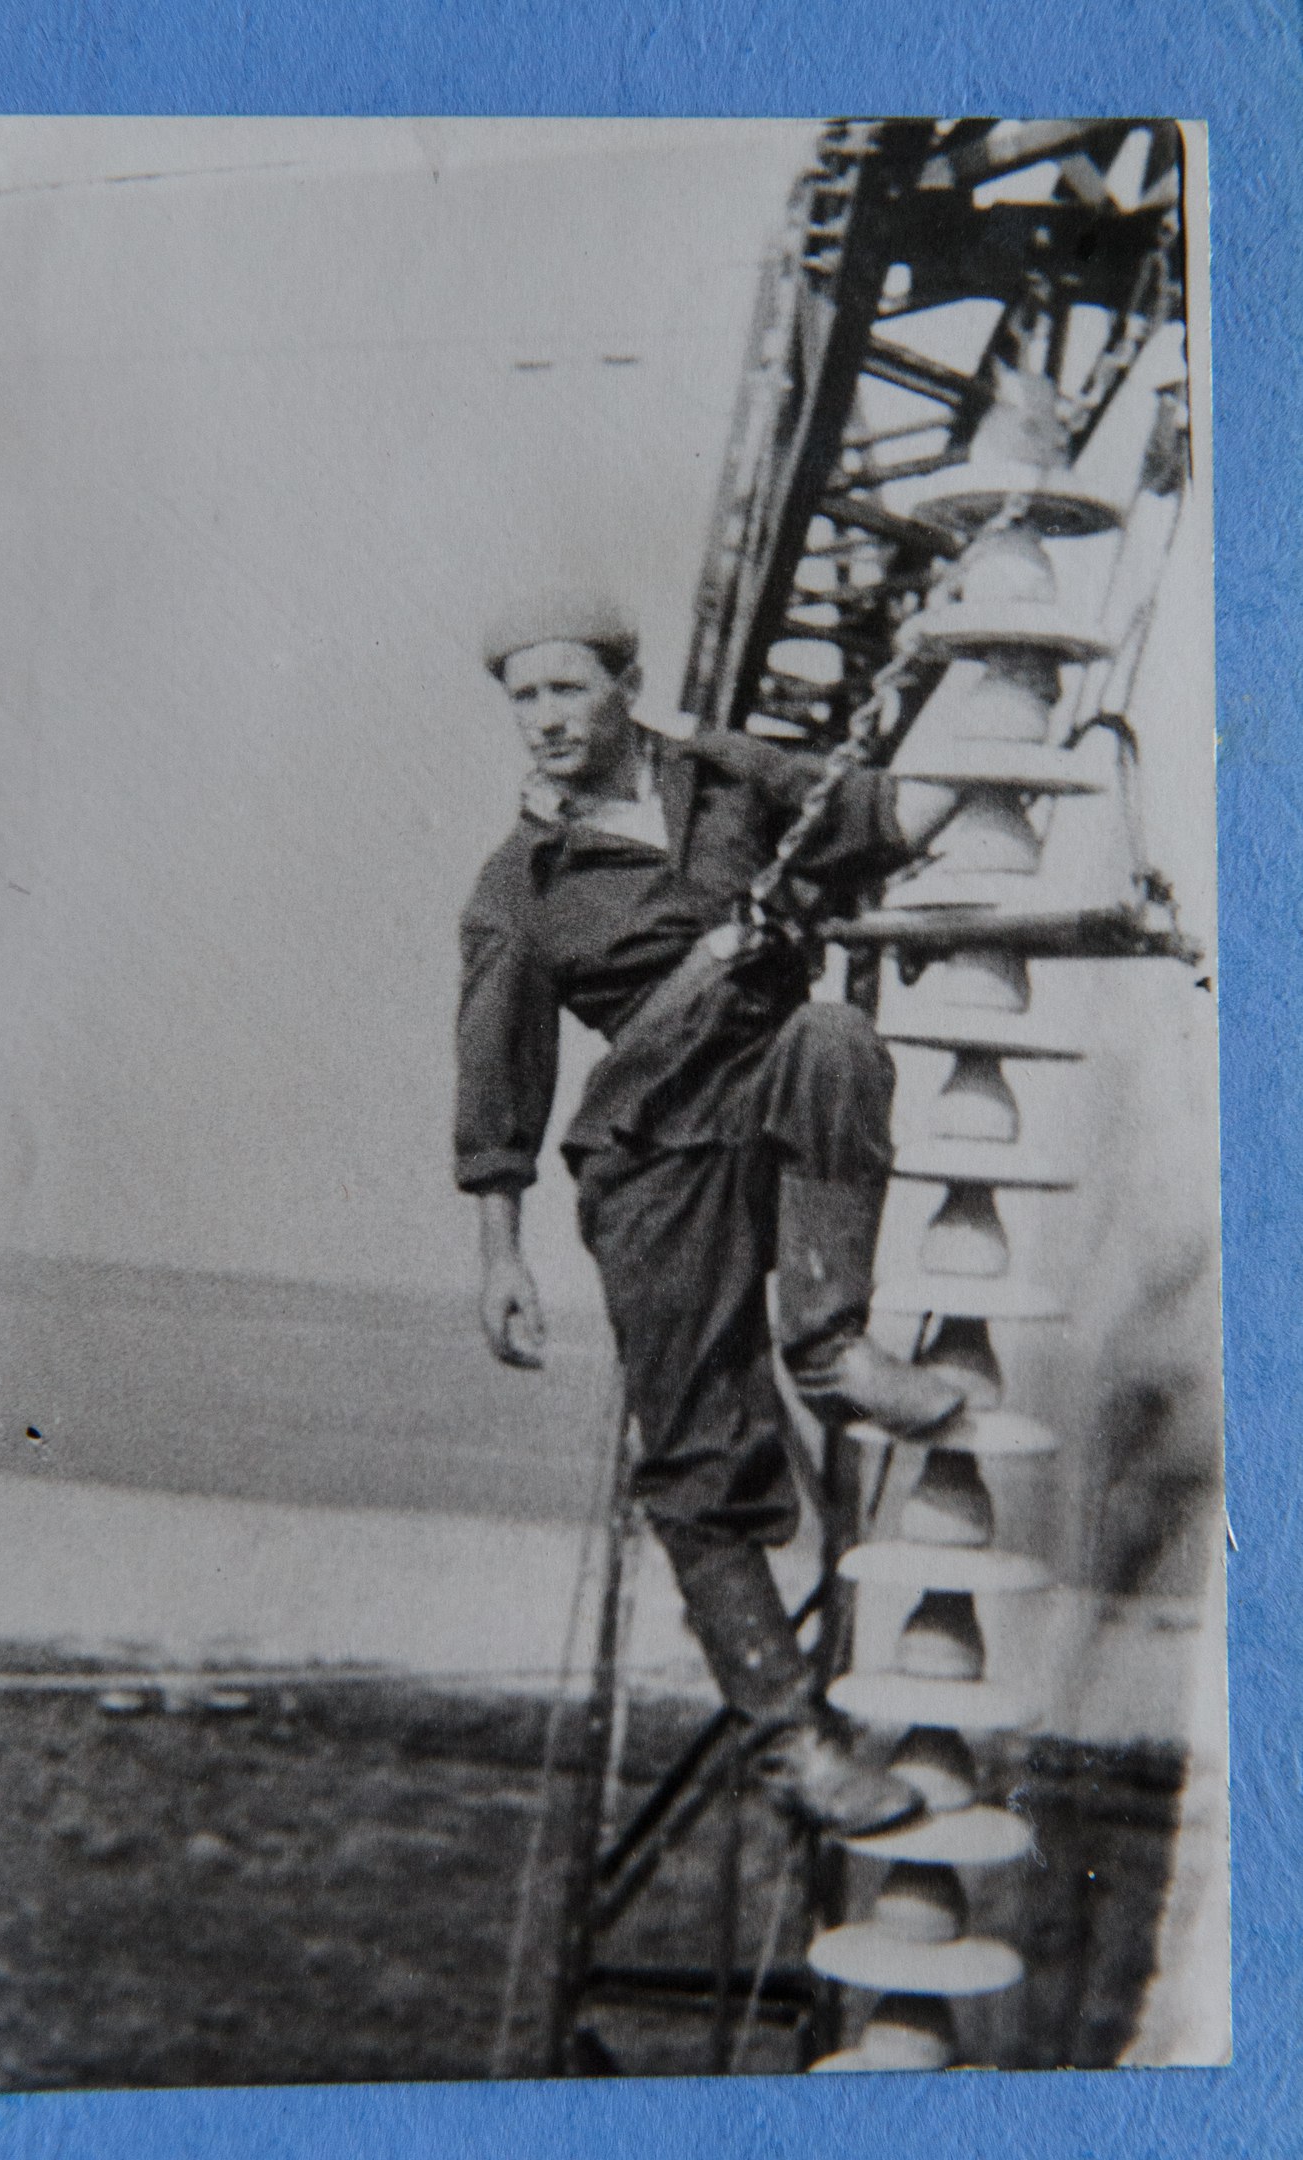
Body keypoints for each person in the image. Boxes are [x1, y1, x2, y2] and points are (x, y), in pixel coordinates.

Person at [454, 591, 962, 1835]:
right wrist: (502, 1256)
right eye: (524, 697)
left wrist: (969, 651)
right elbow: (497, 1080)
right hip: (651, 1160)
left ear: (627, 688)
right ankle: (795, 1745)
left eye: (569, 689)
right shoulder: (520, 886)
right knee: (697, 1454)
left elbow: (891, 813)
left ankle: (830, 1344)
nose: (545, 718)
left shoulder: (727, 784)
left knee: (834, 1037)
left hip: (769, 1080)